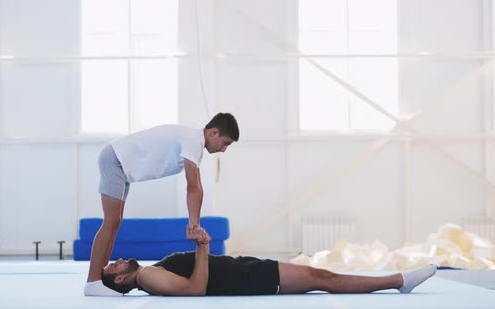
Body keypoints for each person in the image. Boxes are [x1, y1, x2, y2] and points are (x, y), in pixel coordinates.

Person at [84, 113, 240, 296]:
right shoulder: (193, 140)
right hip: (115, 160)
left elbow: (194, 184)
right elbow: (193, 185)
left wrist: (194, 223)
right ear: (213, 132)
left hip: (119, 163)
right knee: (110, 222)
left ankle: (102, 277)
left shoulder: (192, 140)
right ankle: (93, 282)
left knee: (115, 222)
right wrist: (194, 224)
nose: (223, 149)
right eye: (226, 142)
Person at [101, 227, 437, 296]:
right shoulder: (147, 278)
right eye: (112, 267)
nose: (116, 261)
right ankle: (397, 282)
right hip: (249, 279)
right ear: (121, 280)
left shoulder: (148, 272)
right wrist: (203, 248)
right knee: (320, 277)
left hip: (243, 270)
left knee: (320, 275)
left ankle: (397, 281)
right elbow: (195, 290)